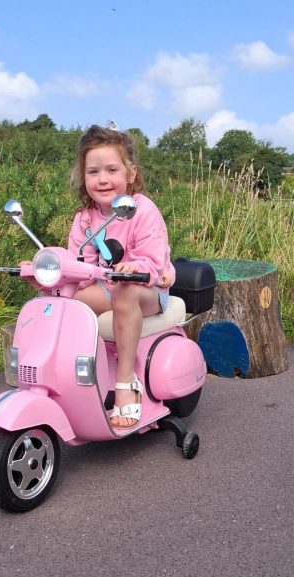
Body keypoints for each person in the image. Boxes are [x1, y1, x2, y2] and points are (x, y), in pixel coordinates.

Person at [68, 124, 175, 427]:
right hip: (107, 288)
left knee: (125, 291)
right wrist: (52, 271)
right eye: (93, 171)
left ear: (130, 173)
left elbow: (154, 261)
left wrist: (135, 268)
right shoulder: (84, 218)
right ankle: (72, 377)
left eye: (112, 169)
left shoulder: (143, 210)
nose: (102, 179)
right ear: (83, 176)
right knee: (64, 299)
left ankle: (126, 383)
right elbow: (82, 264)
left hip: (149, 289)